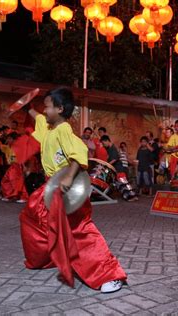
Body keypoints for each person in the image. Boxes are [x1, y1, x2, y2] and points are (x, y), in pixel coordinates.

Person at [20, 87, 126, 293]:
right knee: (32, 217)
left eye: (47, 107)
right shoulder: (49, 128)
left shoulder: (64, 130)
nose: (44, 111)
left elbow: (80, 152)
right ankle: (46, 258)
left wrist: (68, 177)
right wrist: (27, 108)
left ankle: (108, 274)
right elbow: (39, 120)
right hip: (51, 185)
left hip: (67, 186)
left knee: (78, 229)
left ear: (60, 109)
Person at [101, 135, 138, 202]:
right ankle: (128, 196)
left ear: (107, 141)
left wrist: (107, 164)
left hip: (119, 169)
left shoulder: (113, 148)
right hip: (115, 170)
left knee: (124, 183)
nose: (103, 145)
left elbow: (115, 159)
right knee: (120, 185)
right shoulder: (109, 148)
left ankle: (133, 196)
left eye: (103, 143)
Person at [0, 132, 28, 203]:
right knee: (5, 181)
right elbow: (0, 146)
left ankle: (23, 197)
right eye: (8, 138)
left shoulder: (19, 147)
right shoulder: (9, 146)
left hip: (17, 165)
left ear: (13, 139)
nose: (8, 140)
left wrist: (24, 166)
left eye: (9, 138)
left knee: (17, 182)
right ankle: (9, 195)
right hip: (12, 166)